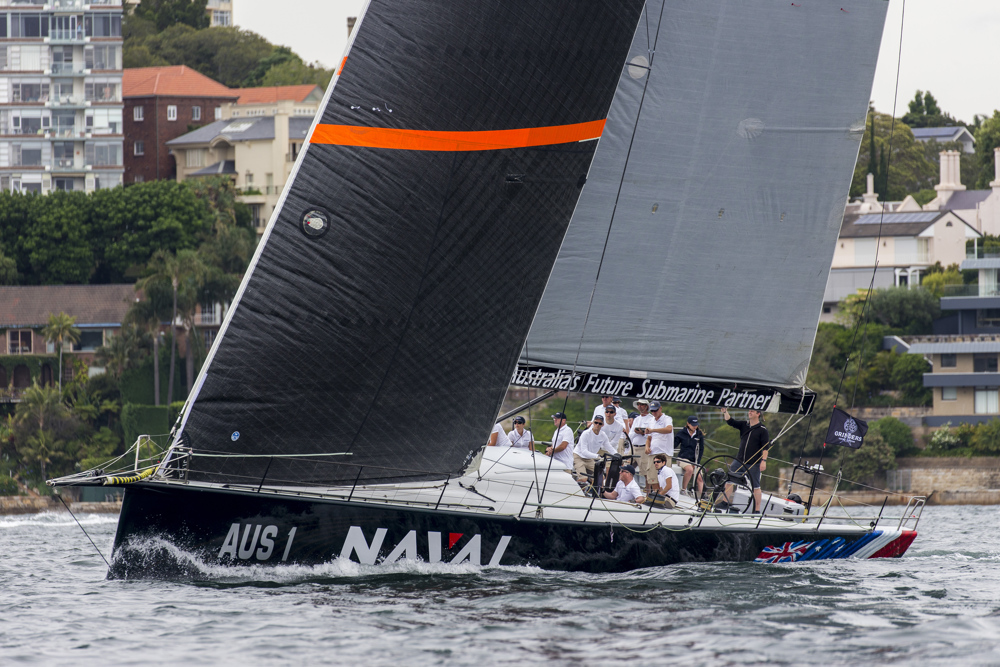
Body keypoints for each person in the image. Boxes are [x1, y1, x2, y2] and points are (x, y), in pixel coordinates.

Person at [718, 406, 770, 512]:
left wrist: (763, 461)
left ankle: (757, 510)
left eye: (752, 411)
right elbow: (730, 421)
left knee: (756, 486)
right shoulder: (744, 425)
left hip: (753, 463)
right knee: (729, 480)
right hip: (739, 460)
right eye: (749, 410)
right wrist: (725, 411)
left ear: (758, 414)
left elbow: (765, 448)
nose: (749, 412)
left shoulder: (762, 430)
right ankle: (725, 502)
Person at [573, 414, 615, 484]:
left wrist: (617, 455)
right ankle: (575, 490)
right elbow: (584, 451)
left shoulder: (603, 435)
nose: (597, 425)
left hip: (589, 459)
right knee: (583, 479)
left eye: (600, 423)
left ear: (603, 425)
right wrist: (597, 456)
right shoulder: (586, 433)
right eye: (596, 422)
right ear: (593, 423)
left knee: (601, 477)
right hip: (579, 456)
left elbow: (609, 447)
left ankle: (596, 494)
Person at [644, 401, 673, 494]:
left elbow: (669, 429)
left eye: (655, 410)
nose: (654, 413)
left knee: (664, 480)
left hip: (664, 453)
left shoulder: (667, 419)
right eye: (652, 411)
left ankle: (662, 497)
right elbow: (649, 438)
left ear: (660, 408)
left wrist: (653, 430)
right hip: (653, 453)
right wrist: (646, 446)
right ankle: (656, 497)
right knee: (653, 479)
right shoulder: (651, 421)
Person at [674, 416, 705, 497]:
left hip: (694, 460)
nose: (695, 426)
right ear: (688, 424)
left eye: (696, 424)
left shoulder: (699, 434)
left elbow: (701, 450)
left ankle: (702, 496)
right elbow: (674, 444)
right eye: (693, 424)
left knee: (700, 477)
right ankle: (683, 490)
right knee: (690, 470)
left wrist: (697, 463)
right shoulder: (681, 433)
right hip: (683, 458)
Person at [628, 399, 654, 486]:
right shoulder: (636, 419)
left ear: (647, 406)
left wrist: (643, 433)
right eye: (638, 404)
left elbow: (652, 435)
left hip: (643, 448)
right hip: (633, 447)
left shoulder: (651, 419)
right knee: (625, 469)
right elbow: (630, 435)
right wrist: (637, 432)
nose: (639, 406)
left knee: (646, 474)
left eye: (642, 404)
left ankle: (648, 494)